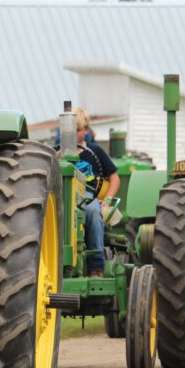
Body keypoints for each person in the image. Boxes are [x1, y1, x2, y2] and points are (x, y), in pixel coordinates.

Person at [71, 108, 120, 278]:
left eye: (76, 130)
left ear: (86, 131)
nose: (72, 134)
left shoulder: (95, 152)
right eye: (68, 130)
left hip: (87, 197)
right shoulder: (56, 153)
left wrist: (107, 199)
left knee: (92, 211)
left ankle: (96, 266)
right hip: (62, 197)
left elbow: (114, 178)